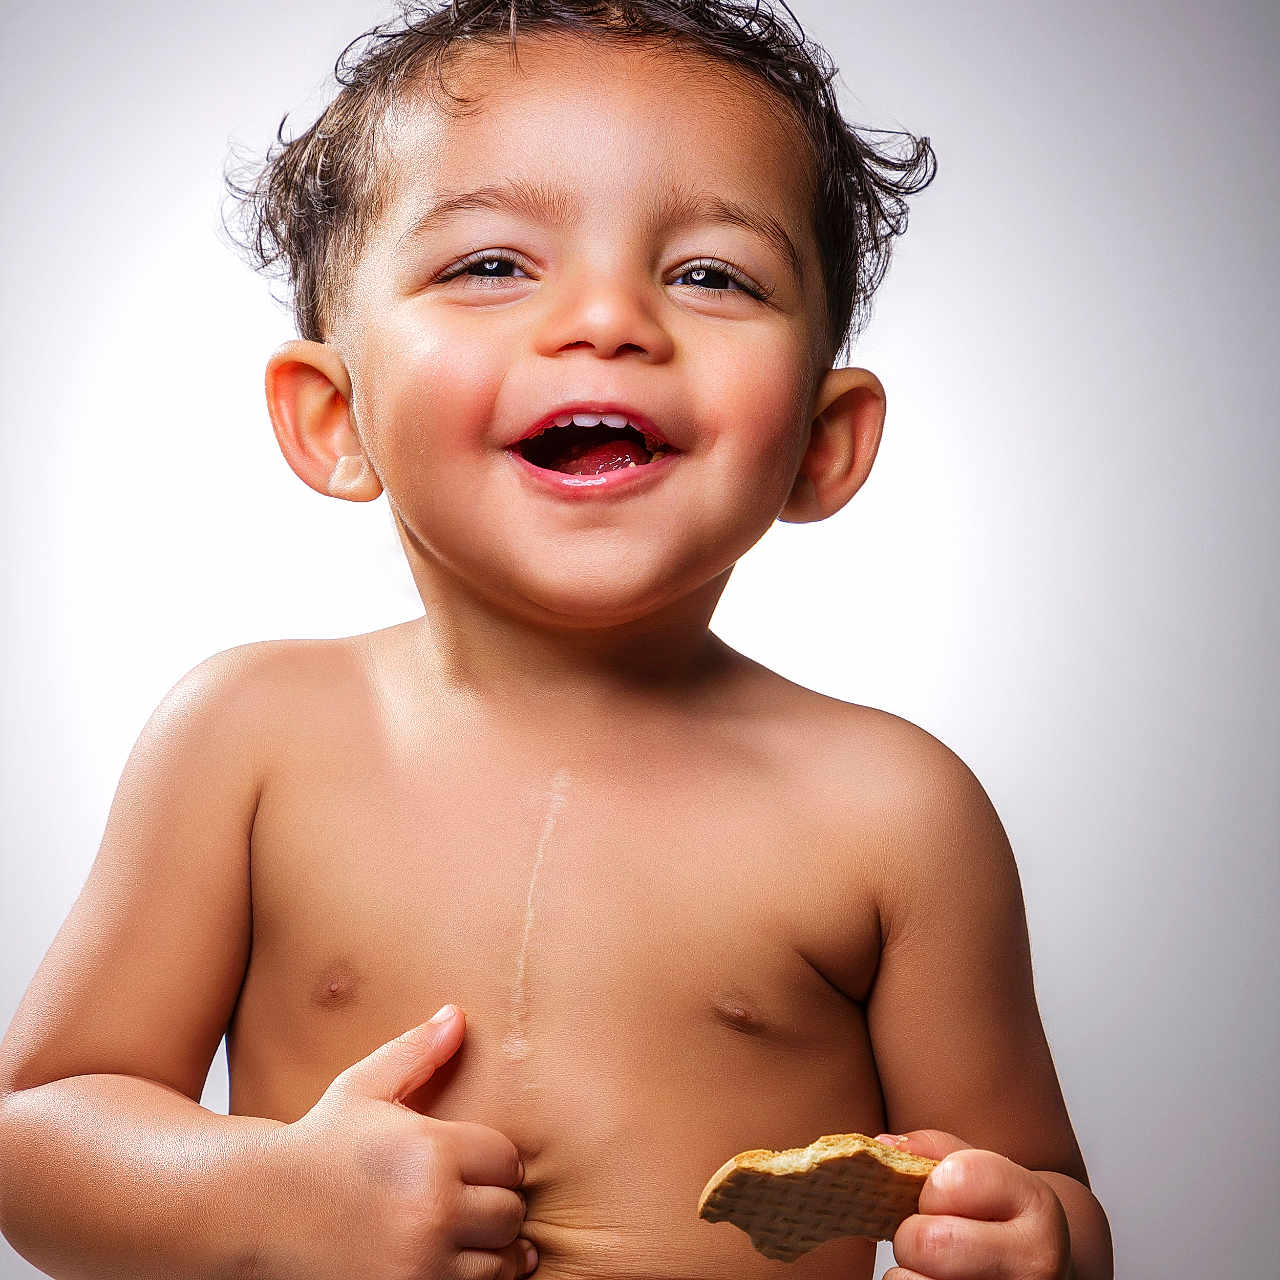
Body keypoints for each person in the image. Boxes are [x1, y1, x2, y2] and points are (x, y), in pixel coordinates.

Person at [0, 2, 1112, 1277]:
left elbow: (1043, 1190)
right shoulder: (250, 737)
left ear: (821, 440)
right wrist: (265, 1199)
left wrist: (1030, 1233)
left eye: (709, 274)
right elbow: (35, 1137)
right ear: (332, 415)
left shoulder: (897, 812)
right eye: (490, 263)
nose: (608, 319)